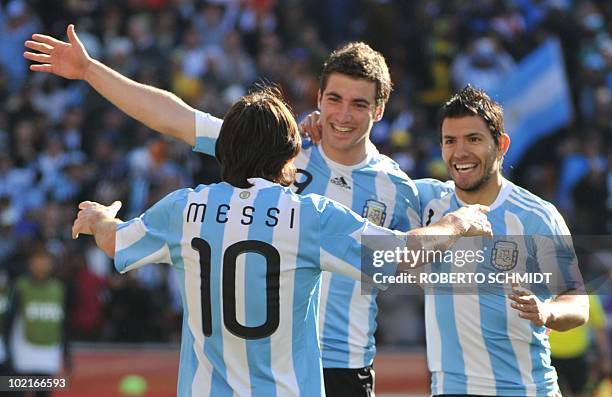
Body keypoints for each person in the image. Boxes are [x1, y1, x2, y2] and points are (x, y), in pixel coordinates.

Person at [24, 25, 421, 396]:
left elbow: (420, 260)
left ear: (379, 109)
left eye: (358, 104)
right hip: (268, 365)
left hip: (342, 365)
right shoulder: (276, 148)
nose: (343, 115)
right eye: (334, 99)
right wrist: (91, 71)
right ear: (318, 97)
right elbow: (174, 117)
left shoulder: (398, 187)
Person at [71, 87, 492, 397]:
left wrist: (99, 218)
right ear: (290, 155)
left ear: (224, 151)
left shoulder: (185, 209)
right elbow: (400, 256)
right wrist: (459, 221)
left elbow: (114, 243)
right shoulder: (308, 216)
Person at [412, 86, 588, 396]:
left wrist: (547, 313)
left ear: (501, 145)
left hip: (526, 389)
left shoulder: (536, 216)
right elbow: (371, 178)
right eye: (450, 141)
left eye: (474, 139)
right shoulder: (426, 202)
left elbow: (577, 300)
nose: (460, 152)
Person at [4, 247, 71, 397]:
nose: (41, 265)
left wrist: (66, 355)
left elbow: (63, 324)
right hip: (22, 355)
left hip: (48, 356)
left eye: (45, 261)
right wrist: (8, 353)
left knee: (43, 393)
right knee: (13, 392)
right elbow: (9, 321)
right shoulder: (20, 286)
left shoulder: (59, 289)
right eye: (37, 260)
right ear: (30, 263)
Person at [549, 295, 610, 397]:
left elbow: (599, 328)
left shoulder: (587, 297)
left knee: (580, 392)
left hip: (578, 354)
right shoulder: (547, 296)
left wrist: (605, 357)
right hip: (552, 355)